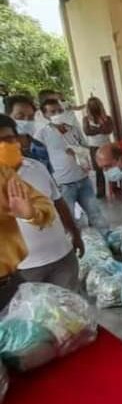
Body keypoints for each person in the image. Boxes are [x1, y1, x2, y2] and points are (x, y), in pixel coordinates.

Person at [6, 117, 84, 292]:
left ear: (18, 139)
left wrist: (74, 232)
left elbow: (58, 202)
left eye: (8, 138)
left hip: (62, 257)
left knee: (70, 305)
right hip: (23, 269)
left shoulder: (36, 167)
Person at [0, 114, 56, 308]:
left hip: (10, 281)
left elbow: (45, 205)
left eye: (7, 139)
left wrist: (30, 214)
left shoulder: (5, 174)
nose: (3, 146)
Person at [36, 99, 109, 237]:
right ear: (45, 115)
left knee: (96, 214)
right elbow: (39, 159)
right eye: (53, 112)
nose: (58, 114)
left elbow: (86, 147)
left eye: (60, 110)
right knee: (69, 220)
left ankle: (109, 240)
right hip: (63, 183)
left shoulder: (73, 129)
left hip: (83, 179)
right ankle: (74, 244)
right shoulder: (42, 134)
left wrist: (78, 151)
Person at [6, 95, 52, 172]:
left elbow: (49, 172)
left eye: (31, 117)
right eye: (20, 116)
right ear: (7, 117)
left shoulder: (39, 145)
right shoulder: (4, 150)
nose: (26, 120)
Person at [82, 97, 114, 198]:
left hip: (106, 145)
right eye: (92, 105)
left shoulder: (107, 118)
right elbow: (87, 132)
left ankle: (114, 189)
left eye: (96, 104)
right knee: (98, 170)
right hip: (94, 147)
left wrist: (96, 129)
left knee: (111, 167)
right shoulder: (86, 119)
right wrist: (101, 128)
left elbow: (109, 130)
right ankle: (101, 192)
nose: (94, 107)